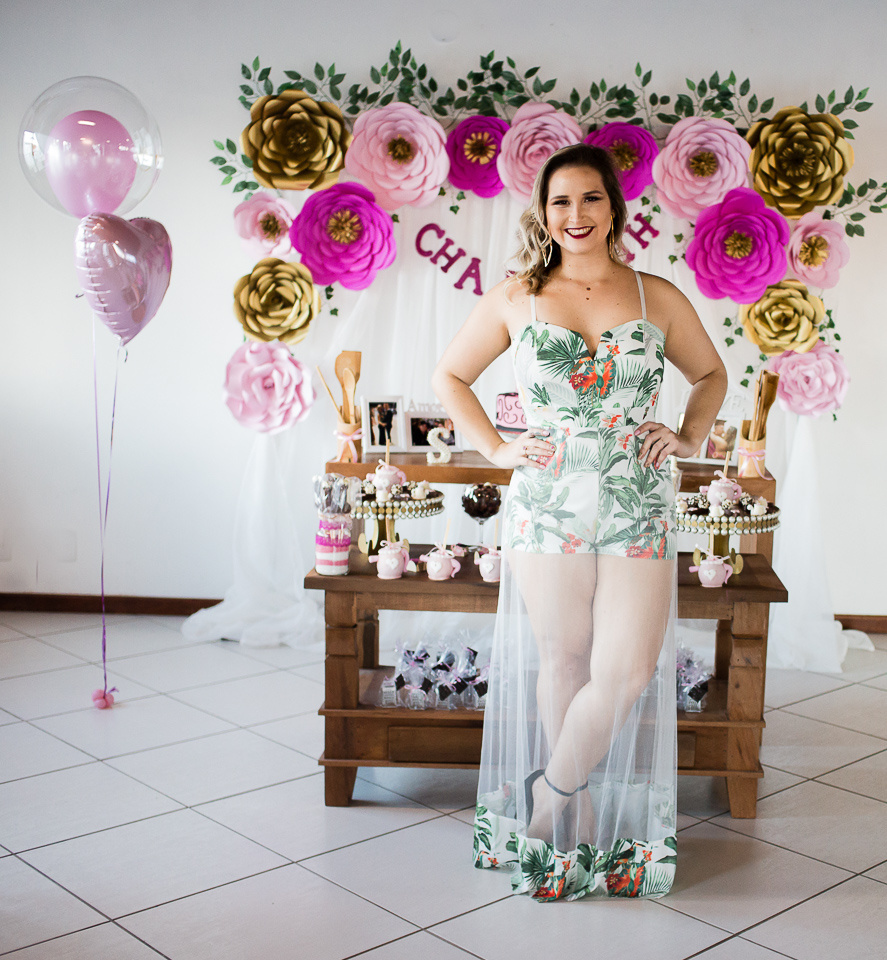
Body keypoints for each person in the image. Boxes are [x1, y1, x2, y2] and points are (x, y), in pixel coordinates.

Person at [431, 143, 727, 901]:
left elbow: (710, 373)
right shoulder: (517, 297)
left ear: (614, 208)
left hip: (637, 498)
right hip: (548, 499)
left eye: (590, 198)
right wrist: (498, 448)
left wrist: (688, 435)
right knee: (562, 660)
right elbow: (451, 376)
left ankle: (549, 794)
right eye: (560, 201)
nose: (575, 214)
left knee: (626, 671)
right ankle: (578, 808)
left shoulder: (654, 295)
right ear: (543, 212)